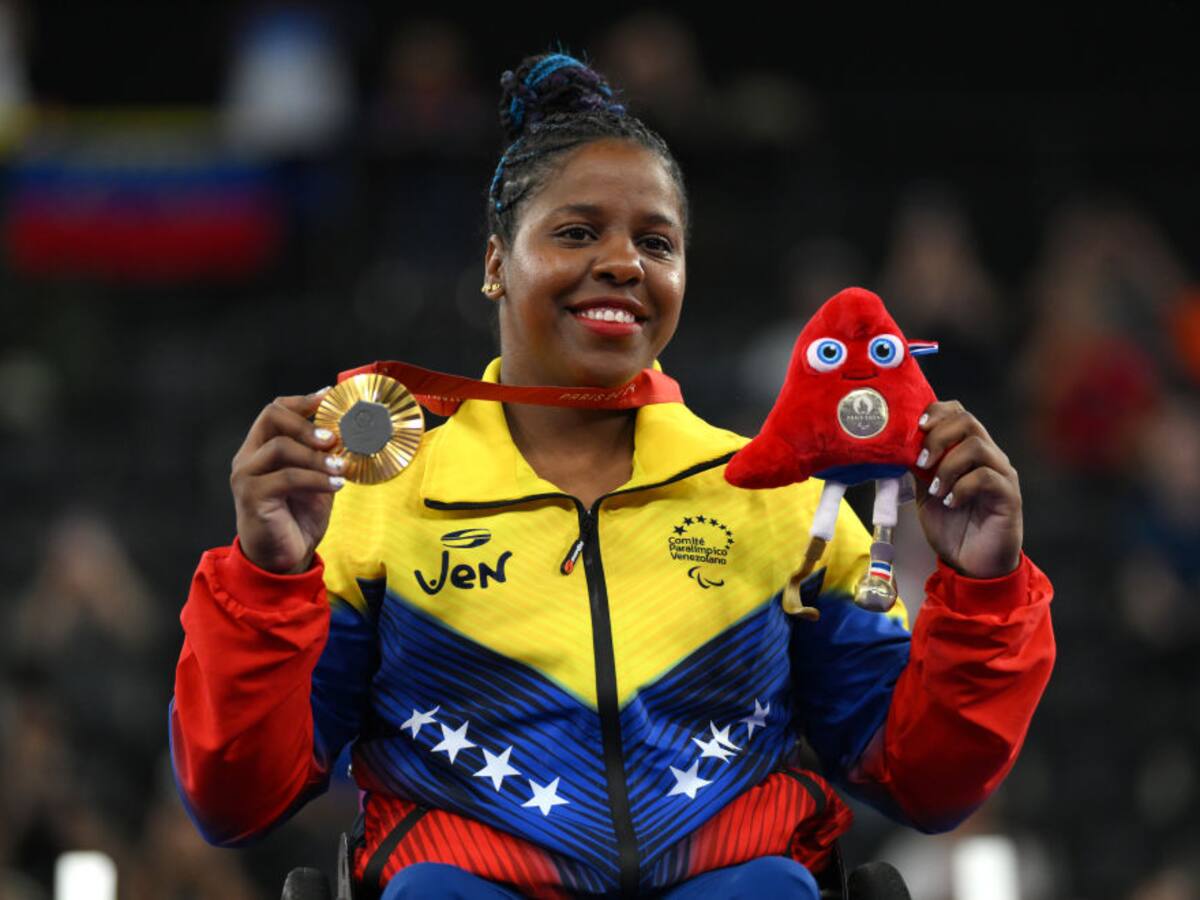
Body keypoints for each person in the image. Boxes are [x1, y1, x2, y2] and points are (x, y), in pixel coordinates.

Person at [169, 53, 1055, 899]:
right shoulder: (376, 510)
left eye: (656, 242)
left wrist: (980, 588)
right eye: (578, 232)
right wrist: (268, 576)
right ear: (493, 265)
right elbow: (238, 800)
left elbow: (924, 780)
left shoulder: (776, 504)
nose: (624, 262)